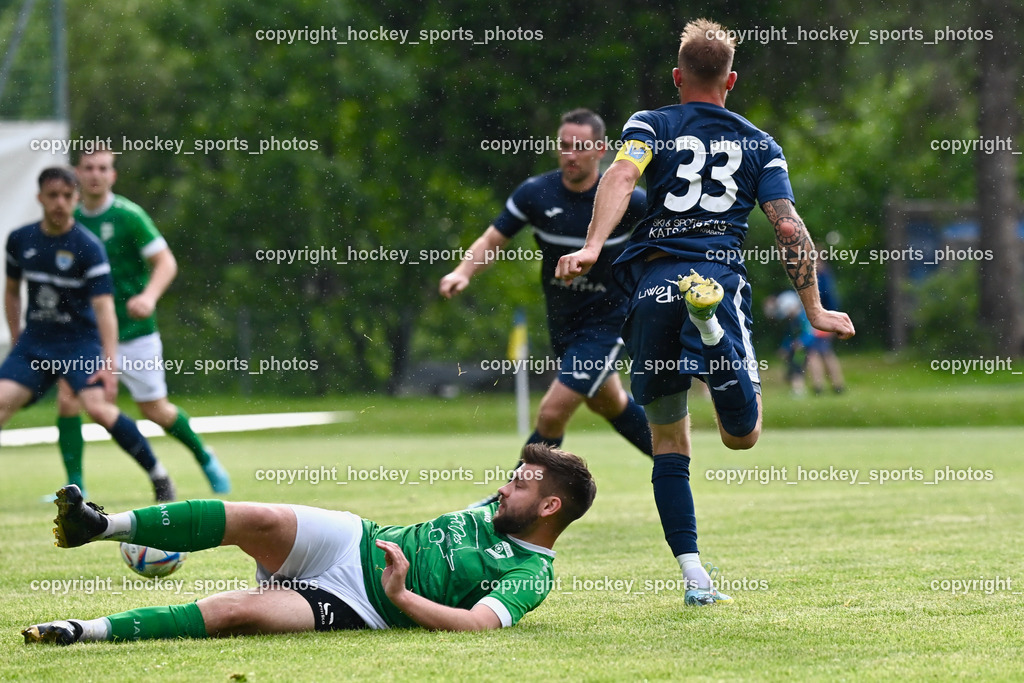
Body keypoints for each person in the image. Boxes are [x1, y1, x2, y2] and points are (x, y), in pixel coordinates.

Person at [555, 19, 855, 605]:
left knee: (669, 442)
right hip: (715, 277)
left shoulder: (650, 124)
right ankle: (712, 329)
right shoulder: (761, 144)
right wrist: (815, 307)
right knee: (742, 436)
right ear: (731, 81)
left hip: (653, 286)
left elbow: (621, 174)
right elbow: (788, 226)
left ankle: (696, 580)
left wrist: (592, 247)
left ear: (677, 76)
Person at [22, 443, 596, 644]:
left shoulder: (532, 575)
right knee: (260, 517)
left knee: (235, 612)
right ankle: (101, 525)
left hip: (363, 604)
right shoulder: (501, 509)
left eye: (519, 485)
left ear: (550, 509)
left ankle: (81, 630)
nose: (502, 488)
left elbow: (476, 627)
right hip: (355, 540)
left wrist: (400, 596)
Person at [440, 109, 653, 479]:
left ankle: (509, 499)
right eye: (564, 145)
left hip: (609, 322)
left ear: (600, 149)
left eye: (580, 147)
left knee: (552, 413)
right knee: (608, 402)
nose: (570, 154)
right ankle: (673, 458)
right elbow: (492, 240)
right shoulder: (536, 194)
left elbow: (670, 239)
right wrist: (463, 271)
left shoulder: (629, 201)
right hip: (564, 322)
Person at [54, 148, 230, 496]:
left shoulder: (129, 216)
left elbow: (166, 262)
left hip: (134, 333)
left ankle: (204, 457)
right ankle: (75, 487)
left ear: (112, 175)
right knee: (68, 399)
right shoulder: (69, 220)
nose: (95, 174)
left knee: (154, 410)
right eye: (88, 167)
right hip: (88, 336)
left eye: (102, 168)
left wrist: (149, 296)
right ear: (77, 173)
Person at [0, 167, 176, 502]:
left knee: (98, 408)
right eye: (53, 195)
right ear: (40, 198)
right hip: (35, 344)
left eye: (67, 196)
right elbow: (11, 291)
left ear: (76, 198)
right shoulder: (20, 239)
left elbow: (104, 309)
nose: (60, 203)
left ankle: (159, 476)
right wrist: (16, 336)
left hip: (79, 344)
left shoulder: (88, 246)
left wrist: (109, 363)